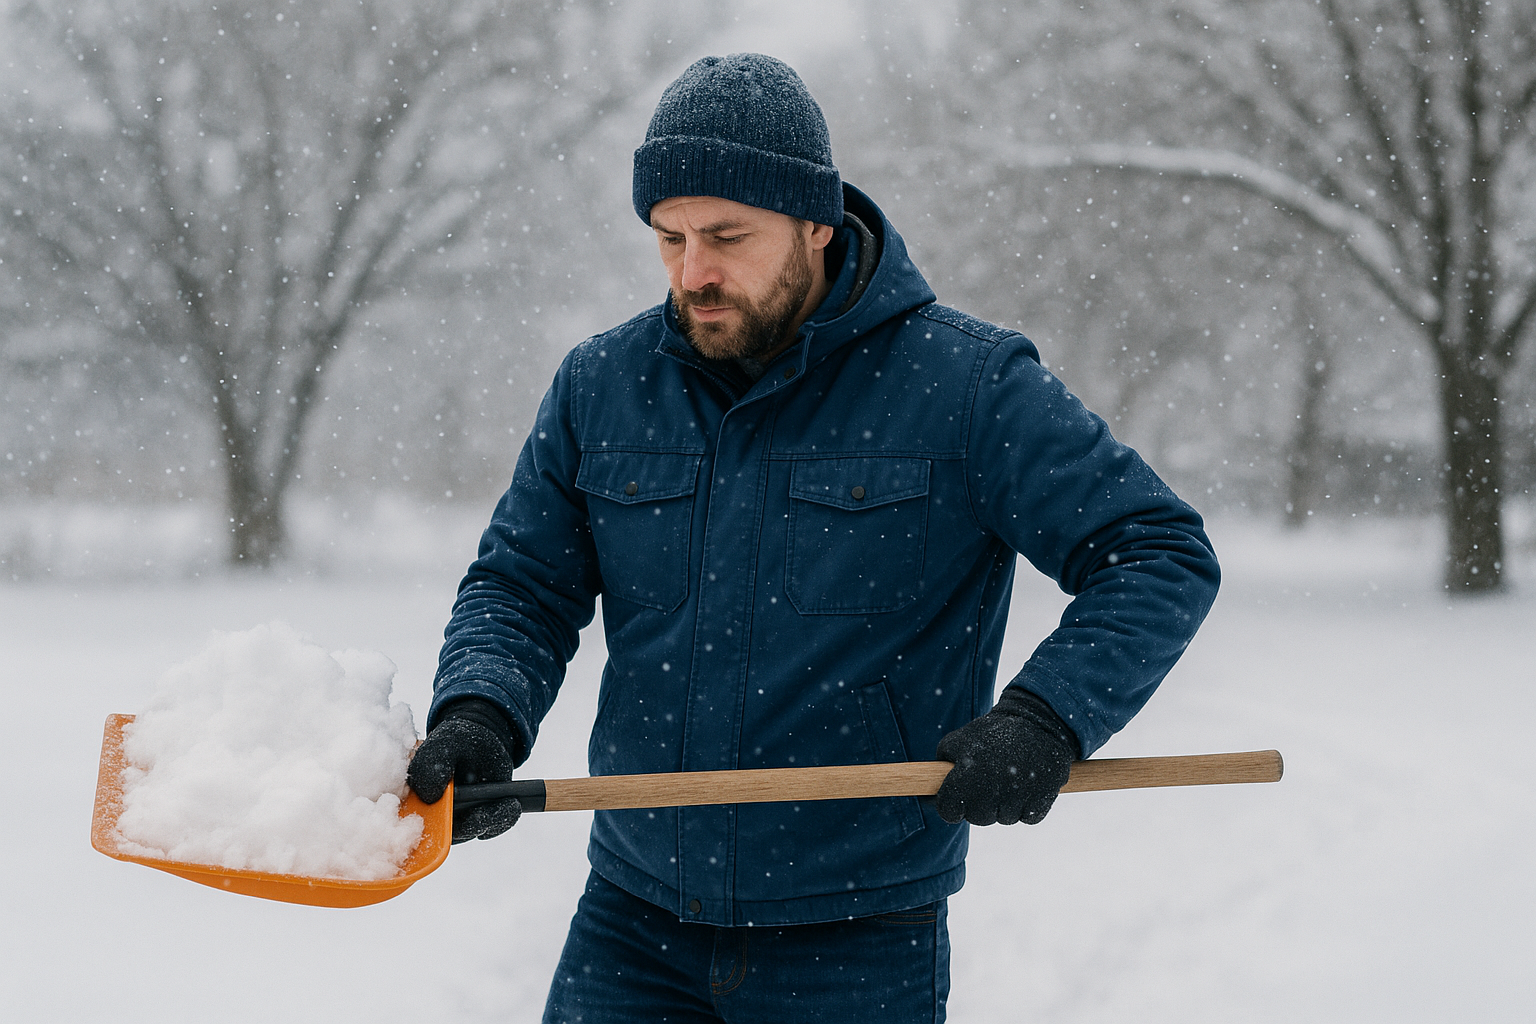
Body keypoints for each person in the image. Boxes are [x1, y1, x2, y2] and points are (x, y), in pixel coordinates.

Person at [406, 53, 1220, 1023]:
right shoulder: (603, 386)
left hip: (855, 946)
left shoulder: (963, 389)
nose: (693, 272)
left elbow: (1156, 550)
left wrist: (1047, 718)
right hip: (632, 928)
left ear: (816, 224)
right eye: (668, 239)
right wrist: (482, 712)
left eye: (726, 236)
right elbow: (521, 584)